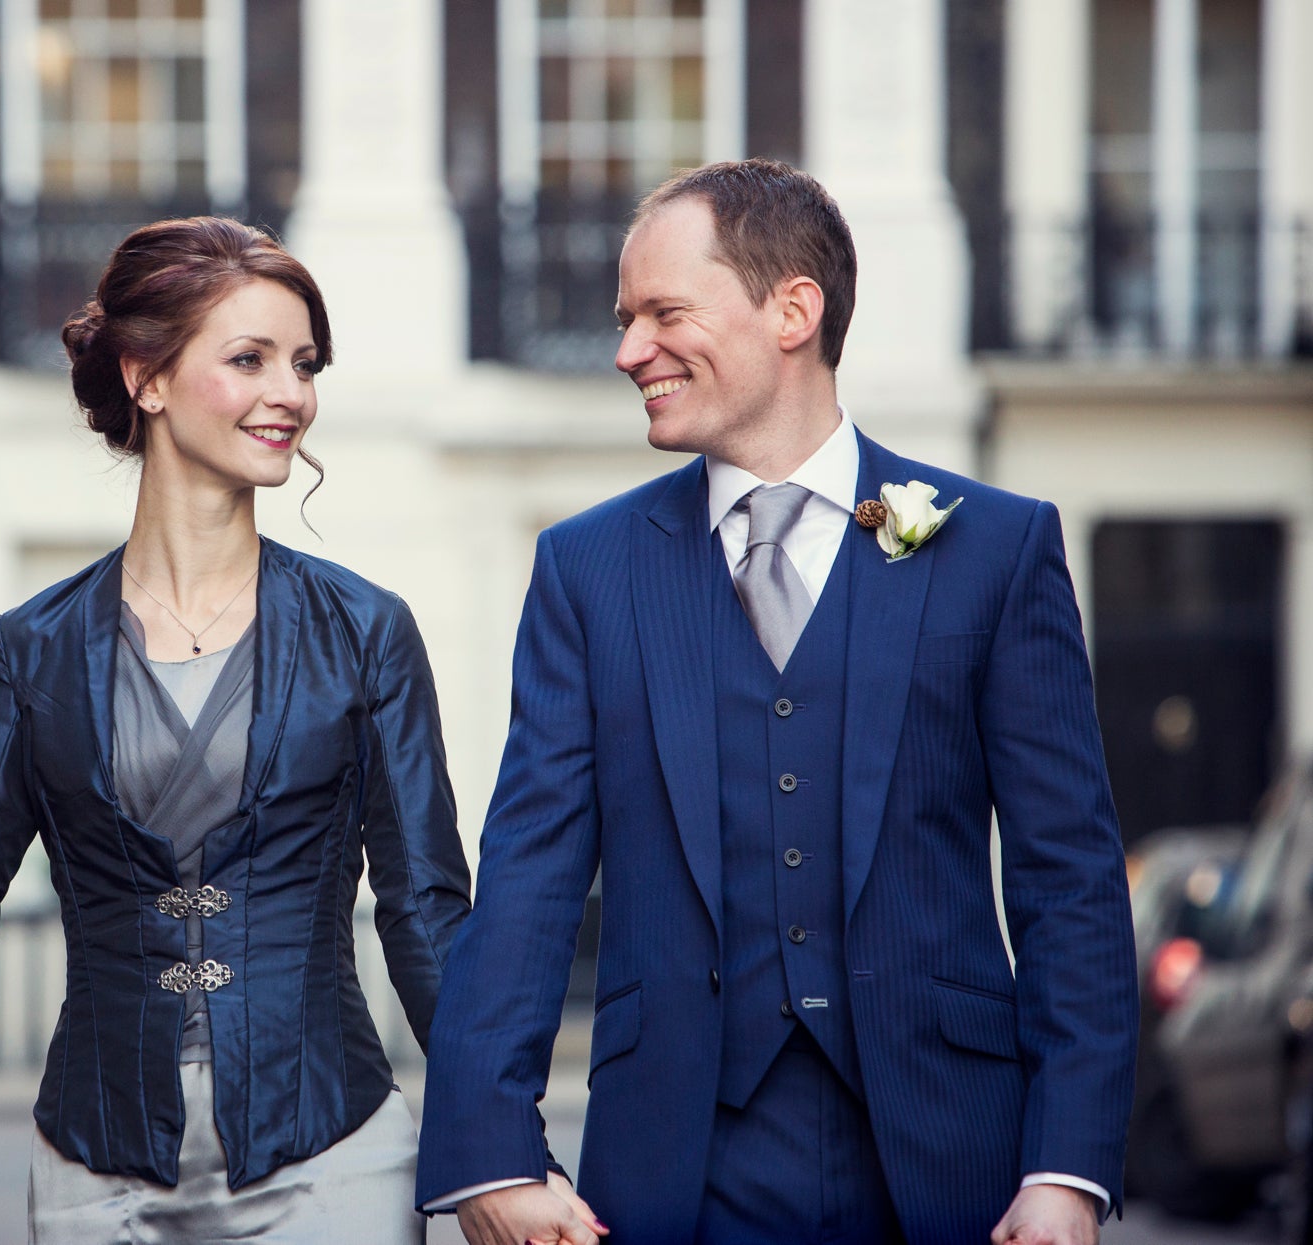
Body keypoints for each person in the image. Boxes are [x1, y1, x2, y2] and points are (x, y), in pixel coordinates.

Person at [415, 160, 1139, 1245]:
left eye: (664, 314)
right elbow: (527, 874)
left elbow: (1069, 881)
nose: (628, 352)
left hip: (952, 1168)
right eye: (625, 321)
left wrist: (1068, 1170)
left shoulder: (995, 548)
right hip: (671, 1172)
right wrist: (489, 1152)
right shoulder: (587, 568)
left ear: (793, 309)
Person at [0, 217, 471, 1244]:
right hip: (97, 1177)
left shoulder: (365, 632)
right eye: (250, 358)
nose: (291, 394)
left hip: (333, 1165)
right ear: (148, 377)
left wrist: (500, 1151)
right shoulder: (31, 652)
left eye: (304, 364)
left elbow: (427, 913)